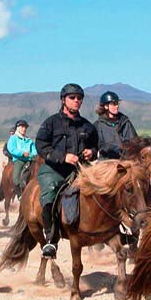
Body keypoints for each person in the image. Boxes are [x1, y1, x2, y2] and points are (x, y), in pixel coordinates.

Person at [34, 83, 99, 258]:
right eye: (72, 98)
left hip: (80, 168)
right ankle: (51, 241)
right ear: (64, 100)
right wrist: (63, 157)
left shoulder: (87, 126)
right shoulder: (51, 123)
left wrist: (91, 152)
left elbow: (95, 146)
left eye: (79, 98)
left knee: (103, 188)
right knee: (49, 194)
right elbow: (41, 145)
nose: (76, 101)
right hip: (54, 168)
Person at [93, 91, 139, 160]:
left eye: (117, 103)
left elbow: (134, 141)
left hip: (125, 160)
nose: (117, 106)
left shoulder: (125, 122)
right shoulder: (98, 125)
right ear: (106, 106)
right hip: (106, 162)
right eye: (113, 104)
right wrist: (118, 147)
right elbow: (100, 146)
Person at [6, 119, 37, 195]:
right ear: (17, 128)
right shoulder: (13, 138)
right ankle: (20, 195)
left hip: (30, 160)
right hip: (19, 160)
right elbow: (11, 149)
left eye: (25, 127)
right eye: (22, 127)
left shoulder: (29, 140)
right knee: (16, 179)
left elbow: (34, 150)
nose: (24, 129)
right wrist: (22, 153)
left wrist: (33, 155)